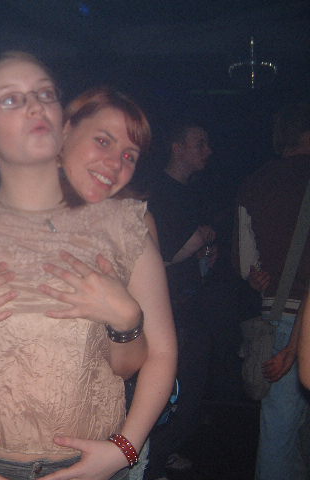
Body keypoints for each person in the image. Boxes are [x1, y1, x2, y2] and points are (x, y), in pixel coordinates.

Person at [0, 52, 176, 480]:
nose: (35, 105)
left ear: (61, 120)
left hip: (89, 467)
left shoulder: (124, 226)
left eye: (45, 94)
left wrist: (123, 450)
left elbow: (154, 355)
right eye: (12, 99)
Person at [236, 102, 310, 480]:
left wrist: (255, 278)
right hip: (300, 317)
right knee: (289, 432)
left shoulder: (255, 181)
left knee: (280, 429)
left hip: (278, 311)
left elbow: (247, 264)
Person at [144, 120, 217, 479]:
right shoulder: (155, 193)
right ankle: (151, 461)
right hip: (166, 311)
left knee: (188, 387)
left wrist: (205, 252)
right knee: (168, 386)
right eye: (199, 143)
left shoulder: (194, 193)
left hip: (191, 305)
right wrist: (196, 241)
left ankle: (163, 452)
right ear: (178, 148)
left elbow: (196, 253)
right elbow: (161, 256)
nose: (208, 151)